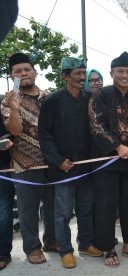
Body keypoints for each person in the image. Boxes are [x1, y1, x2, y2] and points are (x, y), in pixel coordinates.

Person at [38, 57, 103, 268]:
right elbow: (44, 135)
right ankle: (65, 250)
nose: (82, 78)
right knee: (63, 212)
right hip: (63, 168)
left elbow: (97, 129)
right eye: (77, 74)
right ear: (65, 76)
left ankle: (85, 243)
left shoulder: (90, 98)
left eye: (83, 73)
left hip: (86, 167)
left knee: (86, 208)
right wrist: (57, 161)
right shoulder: (51, 101)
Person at [89, 51, 128, 268]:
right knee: (106, 206)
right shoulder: (100, 95)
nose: (124, 75)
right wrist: (117, 146)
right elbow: (96, 125)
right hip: (106, 162)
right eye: (120, 71)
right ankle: (108, 247)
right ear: (112, 73)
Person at [1, 52, 56, 265]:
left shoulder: (49, 97)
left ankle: (51, 241)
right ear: (12, 75)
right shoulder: (8, 100)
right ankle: (32, 248)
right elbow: (14, 130)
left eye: (27, 69)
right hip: (25, 163)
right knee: (28, 210)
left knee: (52, 205)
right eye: (18, 71)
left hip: (51, 161)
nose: (23, 73)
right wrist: (14, 109)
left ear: (34, 72)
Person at [0, 108, 14, 271]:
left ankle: (2, 253)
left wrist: (6, 140)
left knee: (3, 211)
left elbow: (11, 133)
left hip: (3, 168)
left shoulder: (4, 107)